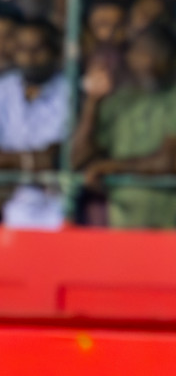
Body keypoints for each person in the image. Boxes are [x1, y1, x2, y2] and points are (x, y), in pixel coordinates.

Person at [0, 19, 71, 229]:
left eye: (38, 49)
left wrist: (1, 161)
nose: (29, 57)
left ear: (56, 52)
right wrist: (28, 162)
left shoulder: (69, 91)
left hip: (56, 209)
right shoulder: (1, 87)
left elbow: (52, 158)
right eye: (22, 49)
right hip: (8, 206)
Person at [73, 27, 176, 229]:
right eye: (141, 52)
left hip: (168, 228)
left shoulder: (172, 98)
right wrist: (92, 102)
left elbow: (169, 161)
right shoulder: (119, 103)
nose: (146, 60)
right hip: (123, 228)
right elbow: (77, 159)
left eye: (155, 53)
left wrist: (111, 166)